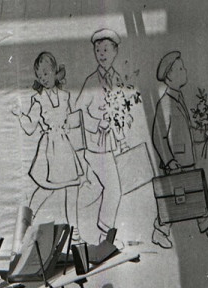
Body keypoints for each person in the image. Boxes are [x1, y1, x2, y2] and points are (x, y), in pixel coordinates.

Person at [150, 51, 208, 248]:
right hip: (176, 161)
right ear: (169, 76)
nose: (185, 71)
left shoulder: (178, 98)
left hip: (185, 158)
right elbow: (158, 135)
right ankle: (160, 231)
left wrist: (204, 134)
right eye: (180, 69)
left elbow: (187, 129)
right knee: (175, 198)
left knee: (193, 191)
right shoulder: (166, 103)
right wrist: (169, 160)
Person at [15, 51, 84, 235]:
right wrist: (20, 115)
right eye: (39, 75)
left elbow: (72, 120)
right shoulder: (38, 99)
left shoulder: (65, 96)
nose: (43, 78)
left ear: (54, 71)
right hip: (49, 149)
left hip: (64, 146)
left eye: (46, 73)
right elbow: (30, 127)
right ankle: (25, 224)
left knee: (71, 187)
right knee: (44, 188)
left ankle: (74, 229)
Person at [75, 29, 126, 242]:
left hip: (110, 145)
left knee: (92, 188)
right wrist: (98, 123)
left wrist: (121, 136)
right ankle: (105, 234)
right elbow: (78, 113)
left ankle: (77, 230)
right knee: (113, 189)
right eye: (98, 50)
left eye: (105, 49)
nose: (101, 54)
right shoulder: (91, 81)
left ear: (115, 51)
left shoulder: (117, 80)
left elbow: (120, 111)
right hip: (95, 146)